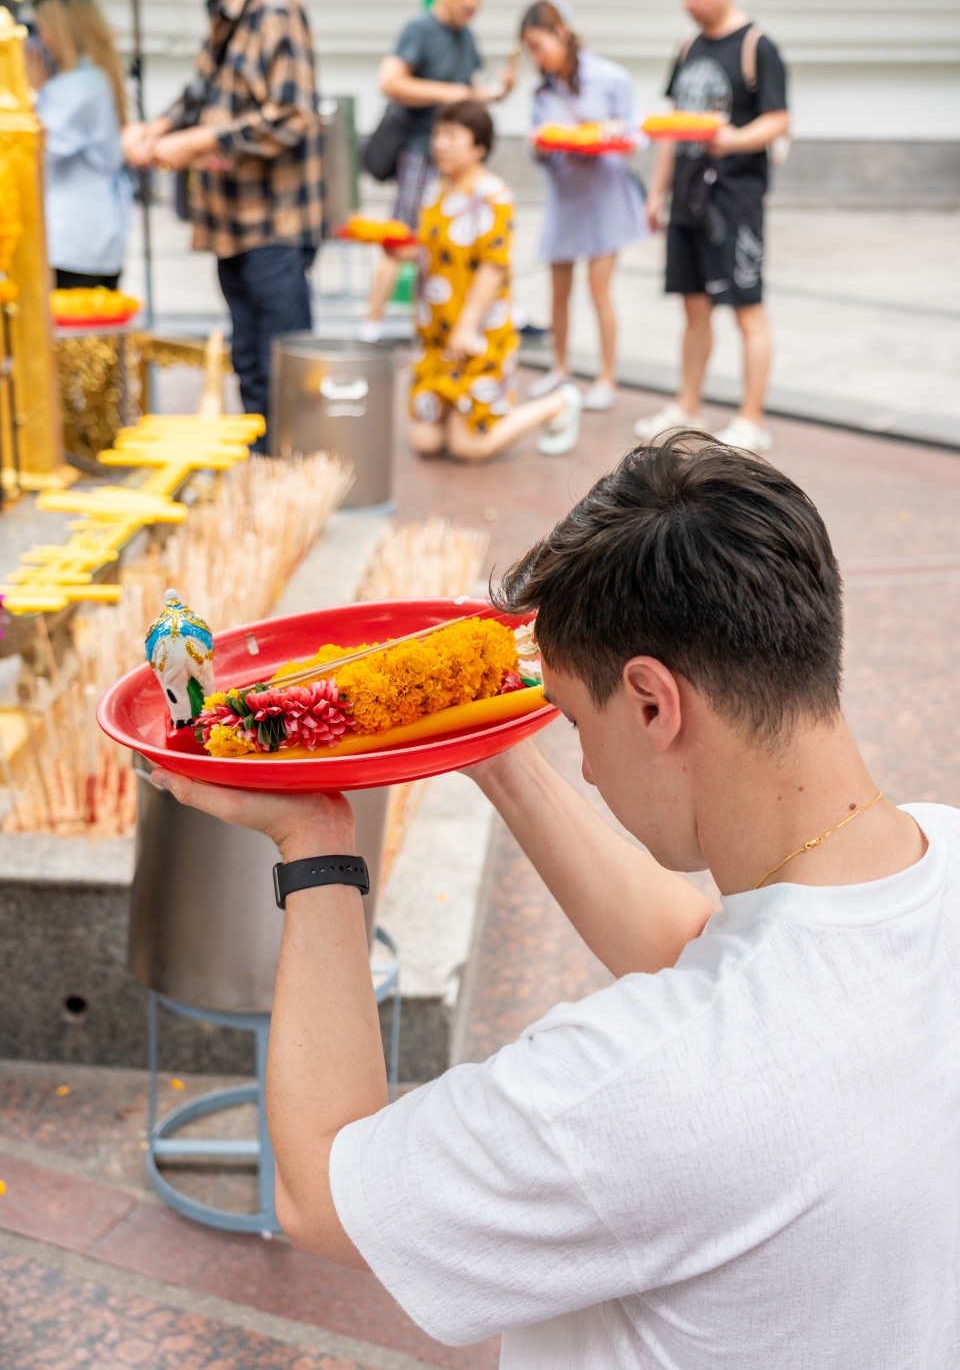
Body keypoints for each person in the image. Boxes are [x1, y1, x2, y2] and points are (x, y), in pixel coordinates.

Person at [151, 430, 959, 1367]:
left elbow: (322, 1191)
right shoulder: (928, 858)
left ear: (654, 703)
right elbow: (712, 947)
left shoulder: (637, 1090)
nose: (579, 760)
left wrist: (318, 843)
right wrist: (489, 752)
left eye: (577, 720)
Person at [123, 0, 321, 453]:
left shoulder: (276, 7)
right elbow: (201, 95)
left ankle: (292, 478)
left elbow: (291, 118)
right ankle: (266, 473)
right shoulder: (229, 12)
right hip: (232, 226)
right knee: (250, 362)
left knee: (283, 371)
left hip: (272, 226)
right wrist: (159, 129)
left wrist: (200, 141)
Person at [634, 0, 789, 453]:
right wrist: (656, 193)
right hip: (687, 199)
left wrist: (734, 138)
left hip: (735, 201)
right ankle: (687, 404)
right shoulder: (687, 47)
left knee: (747, 309)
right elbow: (672, 128)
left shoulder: (756, 46)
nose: (688, 0)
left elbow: (778, 118)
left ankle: (751, 418)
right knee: (693, 308)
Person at [396, 100, 581, 461]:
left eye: (452, 136)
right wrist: (399, 250)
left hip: (476, 335)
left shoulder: (493, 195)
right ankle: (455, 415)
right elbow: (431, 248)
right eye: (437, 134)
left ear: (479, 146)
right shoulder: (436, 189)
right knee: (425, 442)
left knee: (468, 448)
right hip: (436, 335)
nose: (440, 144)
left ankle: (558, 404)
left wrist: (466, 327)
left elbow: (493, 267)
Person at [360, 0, 515, 343]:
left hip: (462, 162)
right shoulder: (420, 28)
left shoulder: (467, 37)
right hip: (420, 151)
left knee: (457, 241)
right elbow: (390, 81)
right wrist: (451, 93)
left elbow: (471, 95)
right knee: (401, 239)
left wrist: (497, 92)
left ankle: (445, 317)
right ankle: (372, 324)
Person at [521, 0, 645, 413]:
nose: (537, 58)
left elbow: (635, 137)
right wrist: (540, 145)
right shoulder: (542, 91)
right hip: (565, 194)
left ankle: (606, 375)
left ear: (560, 32)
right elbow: (540, 147)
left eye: (539, 46)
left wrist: (608, 134)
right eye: (530, 52)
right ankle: (559, 368)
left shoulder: (610, 78)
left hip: (605, 194)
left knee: (599, 291)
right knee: (557, 292)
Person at [26, 0, 132, 291]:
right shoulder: (86, 80)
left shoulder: (79, 87)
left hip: (74, 244)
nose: (41, 41)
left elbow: (33, 147)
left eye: (43, 29)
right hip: (85, 239)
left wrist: (33, 91)